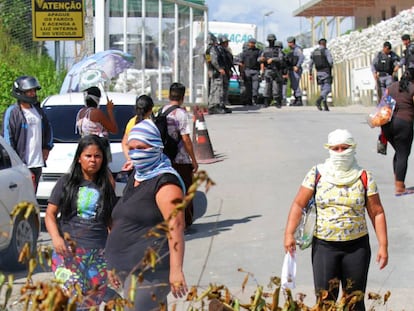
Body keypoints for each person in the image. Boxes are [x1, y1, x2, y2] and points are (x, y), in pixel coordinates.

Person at [284, 129, 388, 311]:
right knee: (325, 302)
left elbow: (377, 212)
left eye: (344, 148)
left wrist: (383, 245)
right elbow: (298, 204)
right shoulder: (317, 174)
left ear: (353, 149)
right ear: (329, 149)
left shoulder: (364, 177)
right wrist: (289, 234)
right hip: (325, 248)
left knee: (354, 303)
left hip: (357, 249)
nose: (340, 153)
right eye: (336, 148)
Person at [105, 119, 187, 310]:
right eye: (132, 148)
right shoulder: (137, 176)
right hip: (128, 268)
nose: (136, 153)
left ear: (157, 147)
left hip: (151, 271)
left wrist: (176, 271)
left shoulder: (166, 183)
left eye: (142, 147)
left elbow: (176, 229)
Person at [45, 135, 116, 309]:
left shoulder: (107, 185)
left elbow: (110, 222)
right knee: (73, 300)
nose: (93, 160)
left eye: (97, 156)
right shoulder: (66, 182)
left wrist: (114, 255)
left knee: (90, 303)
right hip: (68, 253)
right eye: (88, 156)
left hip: (98, 254)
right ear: (79, 158)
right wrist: (56, 238)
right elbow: (50, 214)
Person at [2, 75, 53, 193]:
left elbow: (48, 130)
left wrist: (47, 148)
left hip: (37, 163)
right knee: (21, 199)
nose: (32, 93)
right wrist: (18, 164)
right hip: (21, 165)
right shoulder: (13, 112)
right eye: (29, 91)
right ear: (20, 92)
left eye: (34, 90)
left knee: (32, 197)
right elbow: (8, 139)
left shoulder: (38, 111)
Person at [160, 82, 198, 228]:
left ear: (169, 95)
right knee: (186, 190)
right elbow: (186, 139)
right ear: (182, 97)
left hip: (166, 159)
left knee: (169, 189)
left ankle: (168, 219)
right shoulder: (181, 114)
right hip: (180, 159)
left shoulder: (162, 111)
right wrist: (193, 160)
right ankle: (186, 222)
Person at [381, 68, 414, 195]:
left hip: (387, 124)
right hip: (404, 124)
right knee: (403, 154)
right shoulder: (412, 88)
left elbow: (384, 106)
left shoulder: (391, 87)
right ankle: (399, 187)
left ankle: (398, 182)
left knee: (399, 152)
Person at [76, 86, 118, 161]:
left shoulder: (81, 112)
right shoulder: (97, 113)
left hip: (84, 146)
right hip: (97, 147)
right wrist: (110, 111)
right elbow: (113, 129)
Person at [121, 95, 154, 171]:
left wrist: (130, 160)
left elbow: (124, 143)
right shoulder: (150, 125)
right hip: (147, 167)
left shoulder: (131, 122)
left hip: (135, 167)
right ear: (150, 110)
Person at [259, 35, 287, 108]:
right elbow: (259, 59)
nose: (271, 42)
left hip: (276, 70)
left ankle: (277, 101)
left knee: (276, 87)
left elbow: (280, 58)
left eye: (272, 41)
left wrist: (273, 59)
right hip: (268, 69)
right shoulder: (265, 50)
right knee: (267, 86)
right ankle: (266, 102)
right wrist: (262, 59)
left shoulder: (278, 50)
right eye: (270, 41)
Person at [208, 34, 233, 114]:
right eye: (225, 42)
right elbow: (213, 60)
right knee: (217, 89)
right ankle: (214, 106)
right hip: (217, 72)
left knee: (222, 89)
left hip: (223, 71)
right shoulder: (213, 49)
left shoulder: (223, 50)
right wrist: (219, 68)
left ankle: (221, 105)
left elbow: (226, 60)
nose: (227, 44)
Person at [309, 38, 334, 111]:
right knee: (327, 88)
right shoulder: (326, 51)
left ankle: (325, 105)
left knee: (323, 88)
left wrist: (310, 73)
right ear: (325, 44)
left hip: (318, 72)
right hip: (326, 72)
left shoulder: (314, 52)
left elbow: (310, 64)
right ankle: (319, 100)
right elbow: (330, 61)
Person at [239, 38, 261, 106]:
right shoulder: (244, 52)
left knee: (255, 87)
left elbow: (261, 61)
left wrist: (261, 71)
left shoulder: (258, 51)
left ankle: (254, 99)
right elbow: (241, 63)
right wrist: (241, 72)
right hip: (247, 70)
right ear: (248, 43)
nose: (252, 44)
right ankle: (248, 101)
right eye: (251, 43)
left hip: (255, 70)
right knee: (247, 87)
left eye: (253, 43)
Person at [286, 36, 305, 106]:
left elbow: (302, 57)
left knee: (295, 84)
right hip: (291, 69)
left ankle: (299, 99)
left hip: (296, 70)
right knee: (293, 85)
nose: (288, 44)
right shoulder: (292, 50)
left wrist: (297, 66)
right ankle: (296, 99)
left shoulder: (297, 49)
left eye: (289, 43)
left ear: (292, 42)